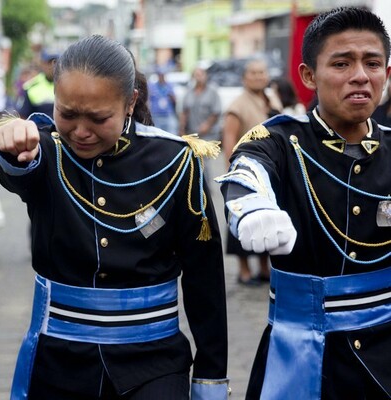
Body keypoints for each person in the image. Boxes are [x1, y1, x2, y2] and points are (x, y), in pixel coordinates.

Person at [0, 34, 229, 400]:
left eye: (99, 118)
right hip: (60, 362)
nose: (81, 131)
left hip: (155, 364)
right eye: (67, 114)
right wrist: (10, 145)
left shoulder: (176, 162)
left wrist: (211, 377)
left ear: (130, 101)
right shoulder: (46, 150)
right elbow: (14, 169)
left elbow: (205, 278)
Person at [216, 7, 391, 399]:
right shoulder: (281, 140)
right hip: (300, 357)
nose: (360, 75)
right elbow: (247, 170)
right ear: (309, 75)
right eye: (342, 63)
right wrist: (253, 207)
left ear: (386, 73)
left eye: (373, 63)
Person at [221, 58, 282, 286]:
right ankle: (244, 271)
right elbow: (229, 138)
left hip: (270, 171)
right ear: (245, 78)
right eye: (253, 73)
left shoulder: (269, 98)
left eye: (262, 72)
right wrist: (233, 173)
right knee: (243, 219)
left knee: (267, 220)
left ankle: (265, 269)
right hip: (246, 172)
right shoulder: (237, 105)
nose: (258, 76)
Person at [16, 48, 59, 118]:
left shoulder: (68, 86)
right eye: (49, 62)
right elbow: (23, 116)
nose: (52, 66)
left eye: (55, 62)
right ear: (42, 64)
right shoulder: (30, 87)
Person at [148, 67, 178, 133]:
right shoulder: (152, 86)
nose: (161, 77)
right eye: (160, 75)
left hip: (167, 115)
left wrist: (171, 97)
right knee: (157, 134)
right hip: (156, 115)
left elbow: (175, 100)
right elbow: (148, 100)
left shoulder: (169, 86)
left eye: (162, 75)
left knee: (171, 133)